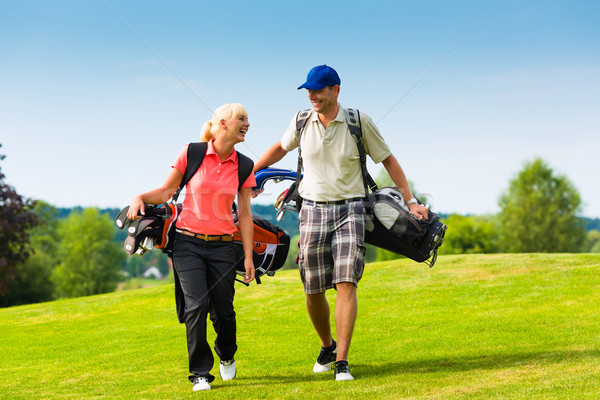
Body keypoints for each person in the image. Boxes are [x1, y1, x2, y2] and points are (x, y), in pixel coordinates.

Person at [253, 65, 429, 381]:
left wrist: (411, 200)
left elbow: (388, 159)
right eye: (309, 89)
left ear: (335, 89)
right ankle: (327, 345)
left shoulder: (358, 122)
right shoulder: (301, 120)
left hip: (352, 210)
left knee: (346, 281)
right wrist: (253, 173)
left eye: (318, 89)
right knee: (312, 287)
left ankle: (342, 361)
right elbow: (280, 148)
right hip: (312, 211)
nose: (312, 95)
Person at [127, 103, 256, 391]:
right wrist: (140, 197)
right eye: (242, 119)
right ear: (223, 124)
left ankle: (226, 354)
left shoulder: (245, 165)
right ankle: (200, 372)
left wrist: (248, 255)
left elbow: (245, 214)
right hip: (187, 244)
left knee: (223, 310)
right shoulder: (192, 152)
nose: (248, 124)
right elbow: (166, 192)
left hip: (224, 247)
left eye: (248, 119)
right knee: (196, 305)